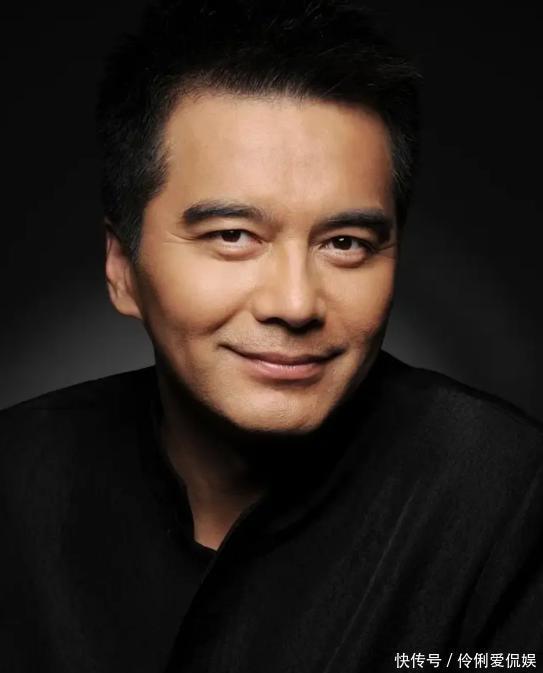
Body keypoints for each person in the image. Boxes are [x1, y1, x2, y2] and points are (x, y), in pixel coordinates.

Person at [1, 0, 542, 671]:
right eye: (232, 235)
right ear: (122, 268)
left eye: (345, 242)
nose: (294, 303)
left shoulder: (507, 496)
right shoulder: (15, 482)